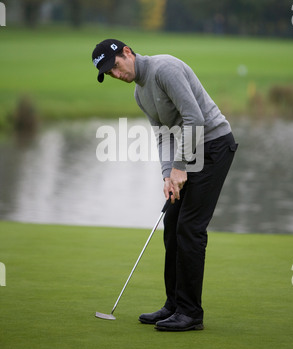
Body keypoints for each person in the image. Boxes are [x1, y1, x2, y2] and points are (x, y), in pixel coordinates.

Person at [91, 39, 238, 332]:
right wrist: (167, 175)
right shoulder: (139, 94)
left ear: (128, 53)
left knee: (190, 227)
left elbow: (194, 117)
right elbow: (164, 135)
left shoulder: (164, 69)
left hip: (214, 146)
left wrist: (180, 167)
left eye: (116, 67)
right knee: (172, 224)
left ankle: (191, 313)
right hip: (189, 150)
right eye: (110, 74)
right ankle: (174, 305)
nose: (116, 75)